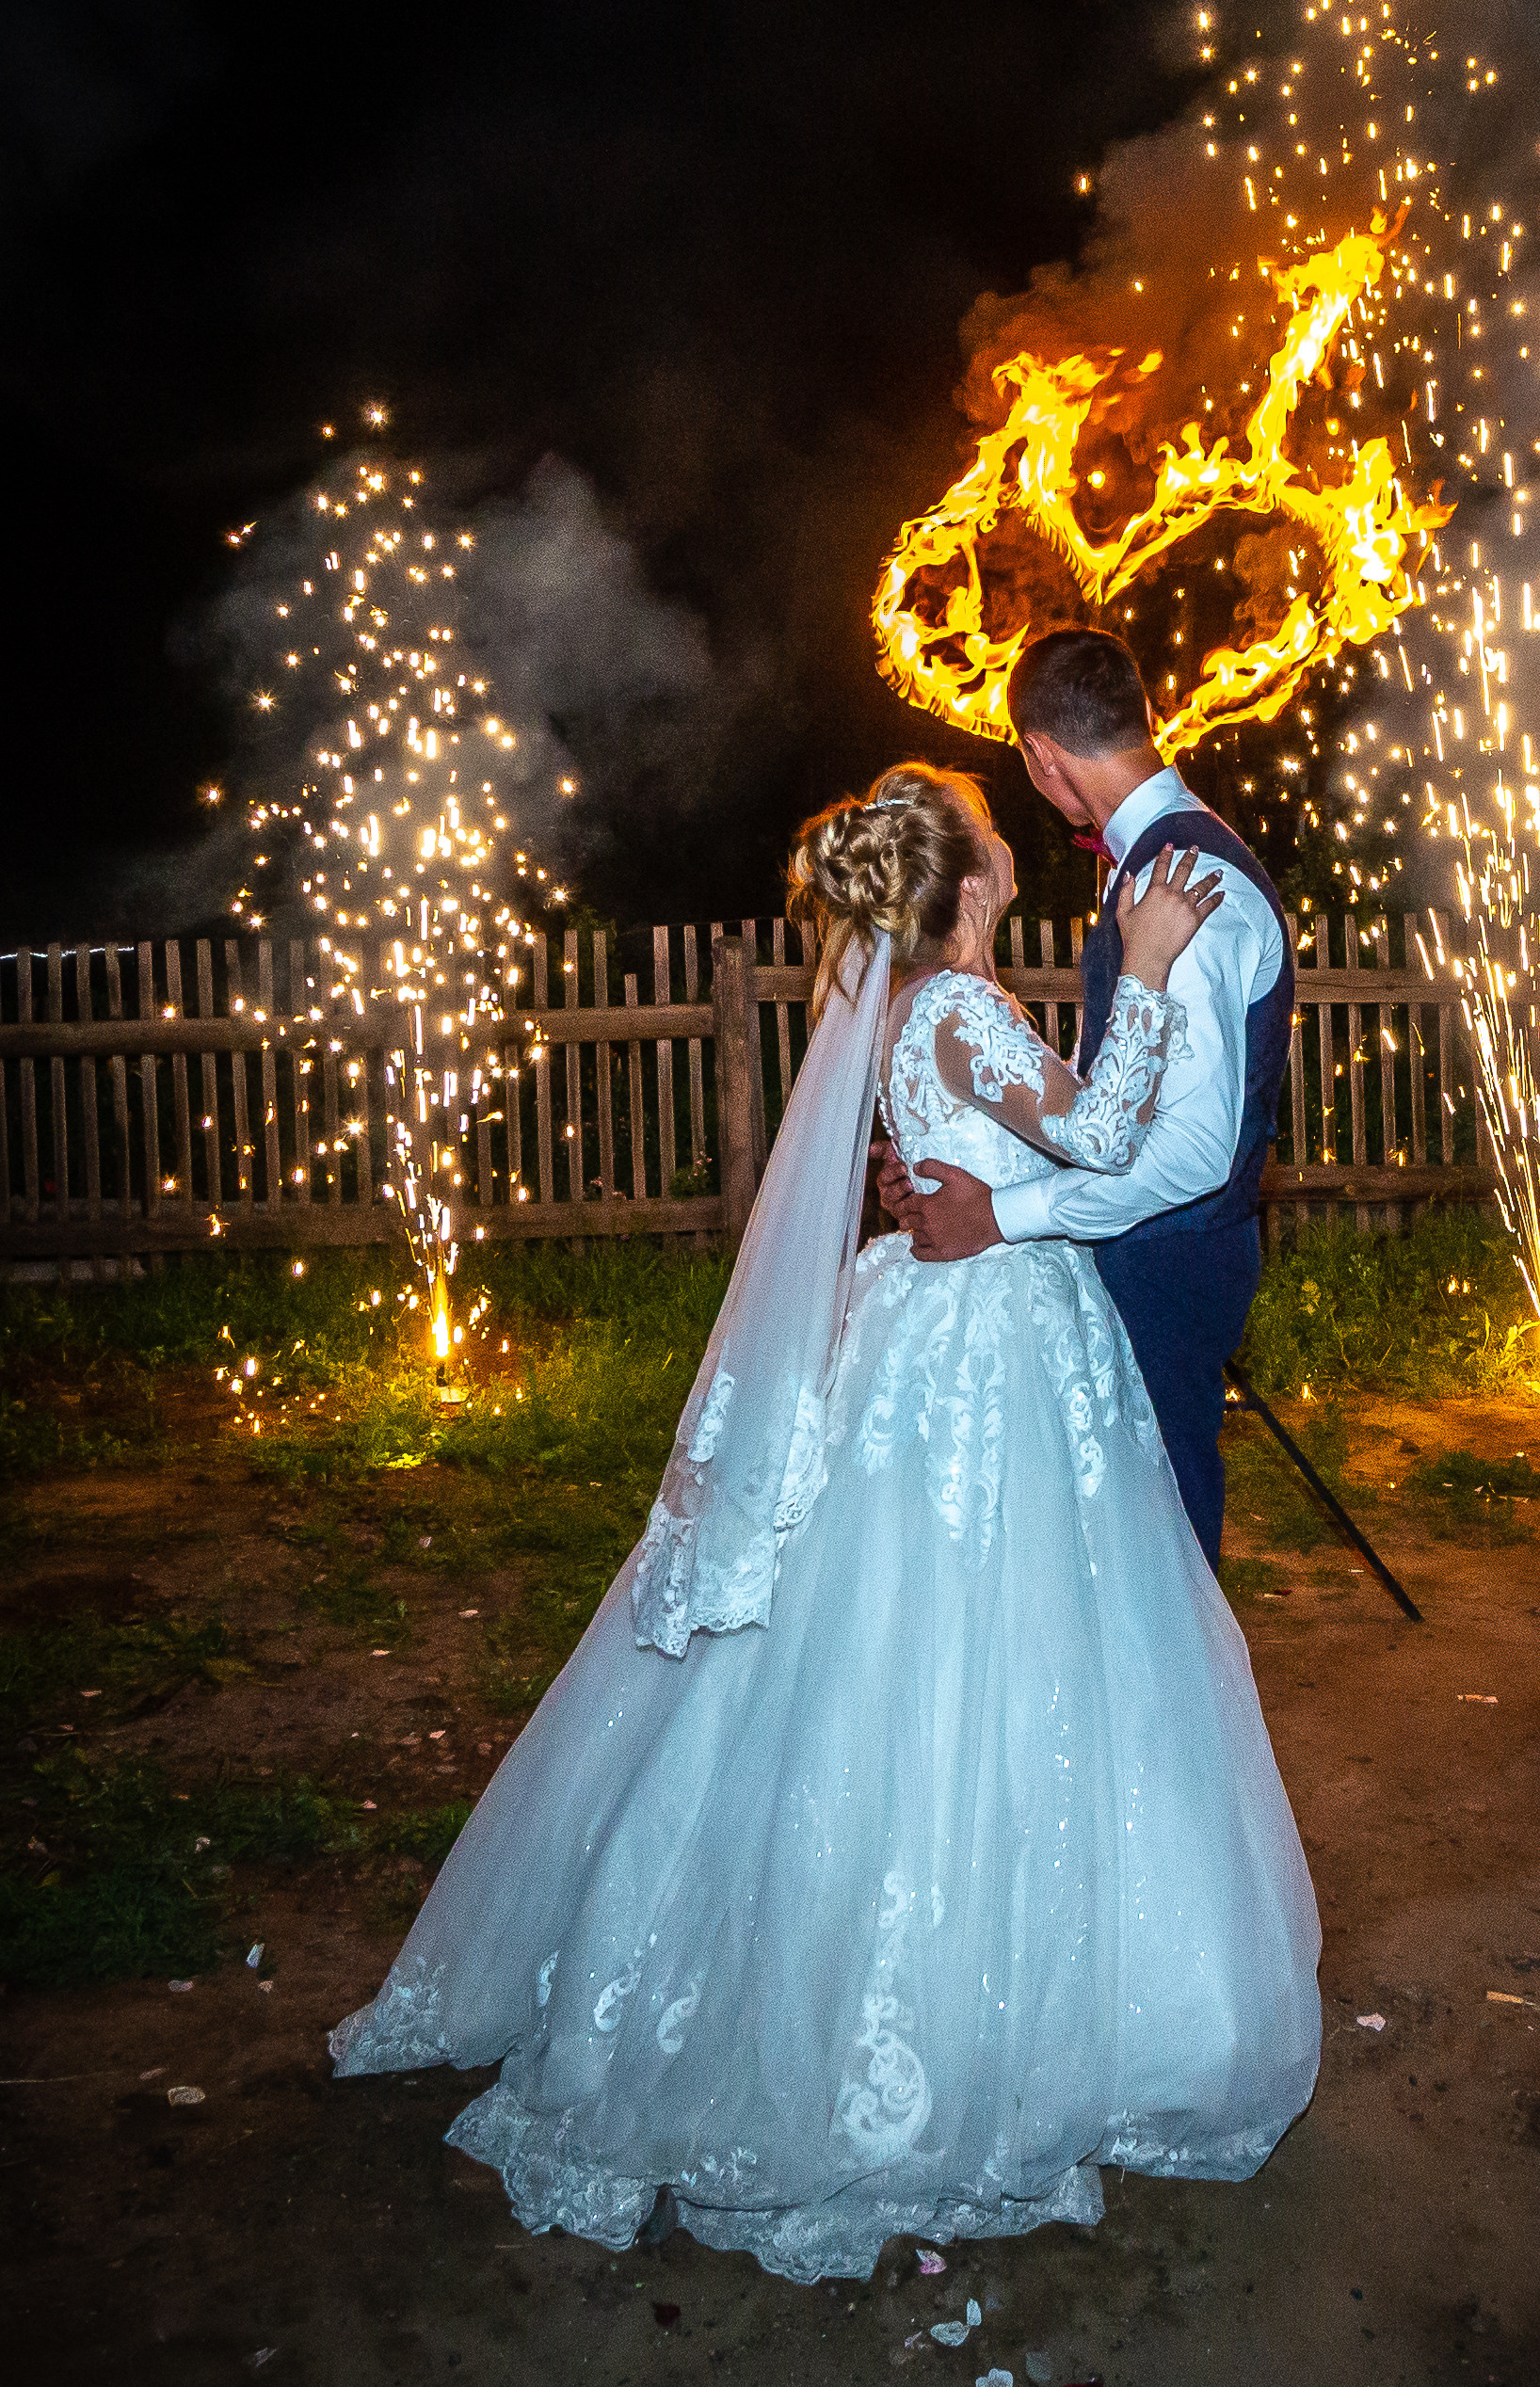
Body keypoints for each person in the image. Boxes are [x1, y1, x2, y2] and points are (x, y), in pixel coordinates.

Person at [328, 761, 1322, 2283]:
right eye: (989, 824)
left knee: (916, 1643)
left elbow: (1009, 1136)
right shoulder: (960, 1005)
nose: (1013, 832)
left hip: (955, 1321)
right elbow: (1110, 1135)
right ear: (969, 879)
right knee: (977, 1646)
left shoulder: (930, 1003)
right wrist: (1152, 969)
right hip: (988, 1353)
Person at [878, 629, 1294, 1574]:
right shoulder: (1146, 869)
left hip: (1166, 1256)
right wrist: (951, 1163)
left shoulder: (1183, 883)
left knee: (1156, 1549)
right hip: (1106, 1254)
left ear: (1042, 756)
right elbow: (1091, 1096)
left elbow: (1190, 1152)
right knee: (1095, 1550)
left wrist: (995, 1211)